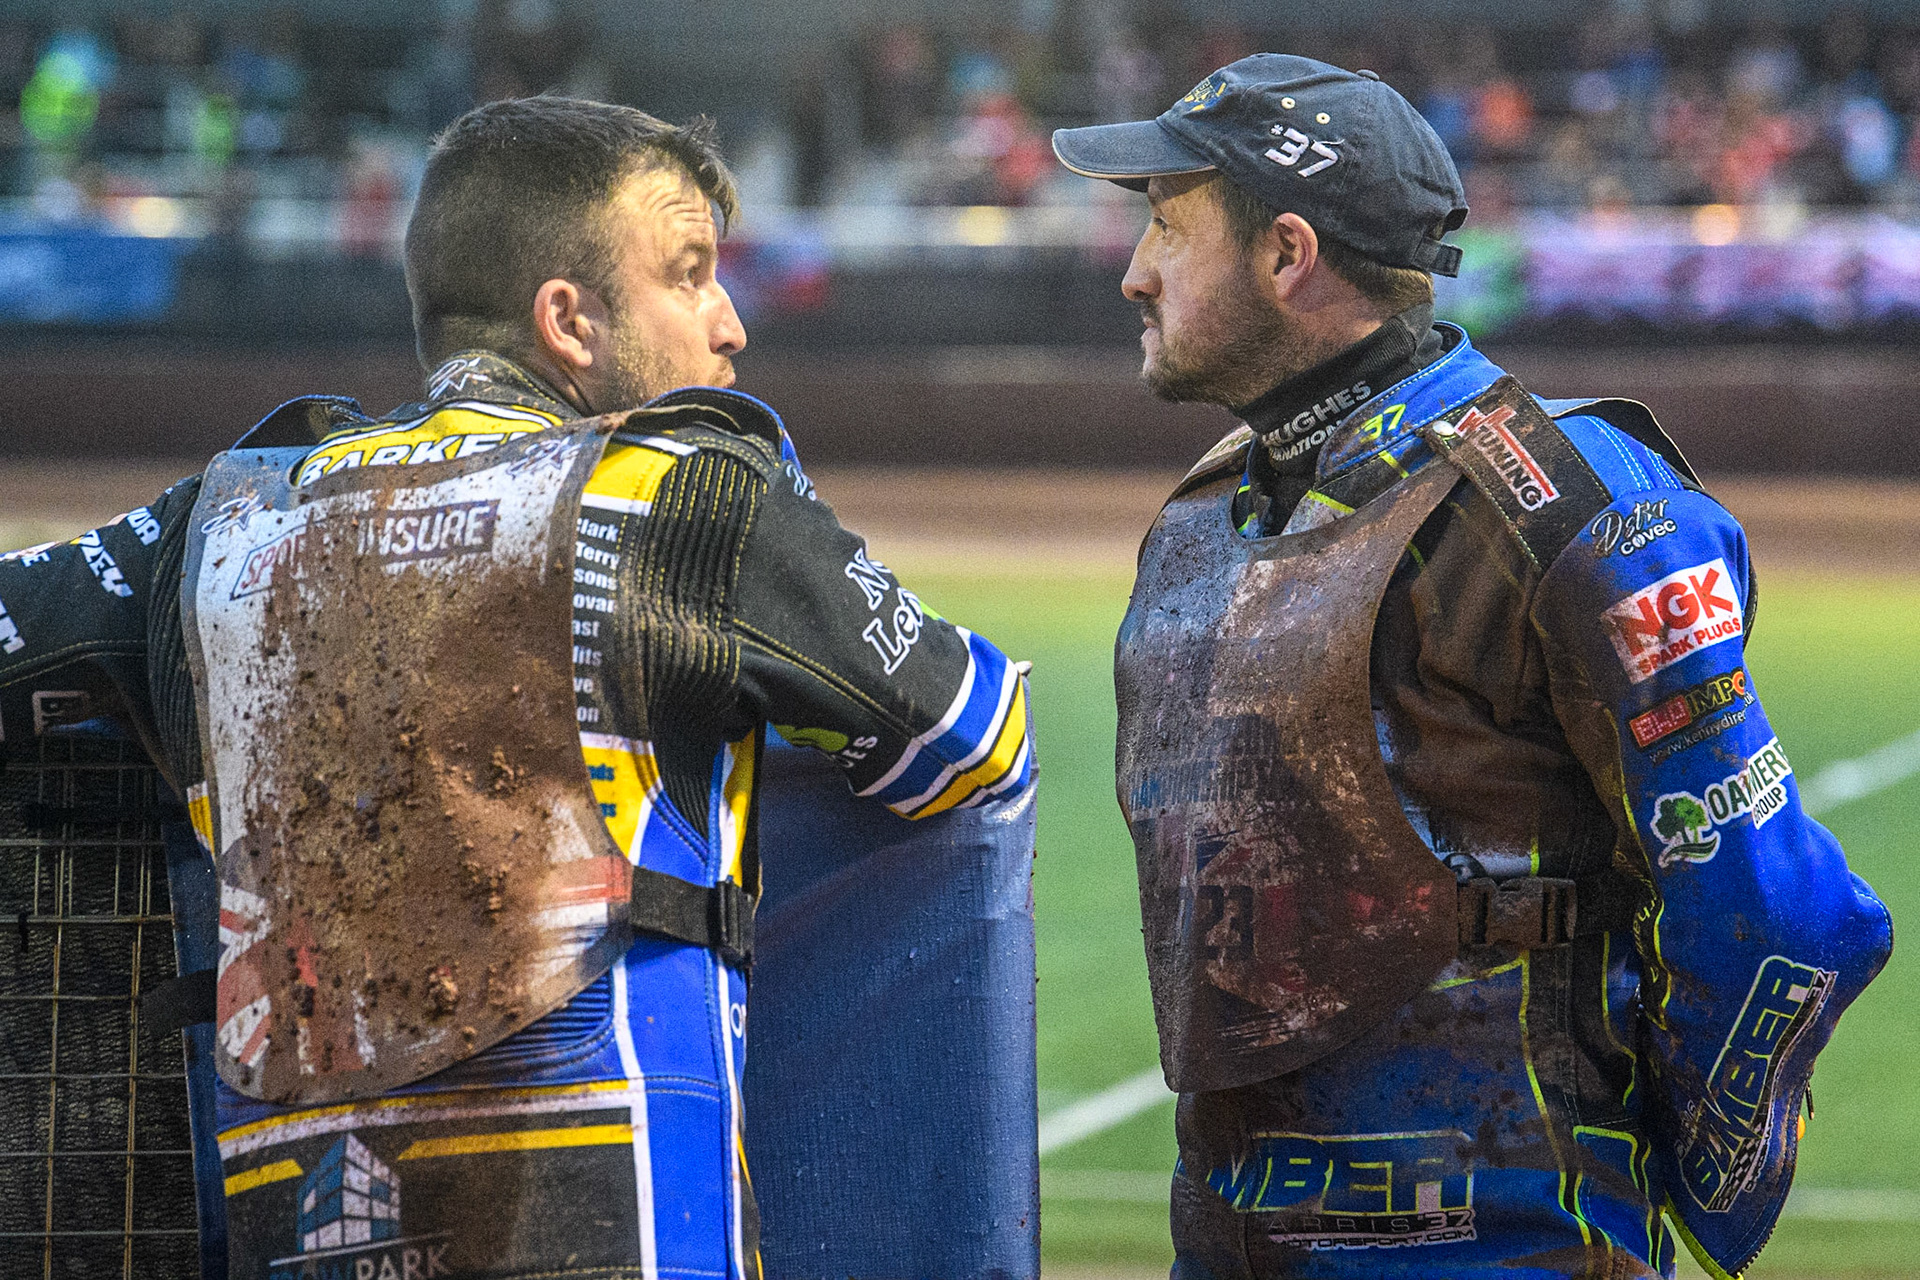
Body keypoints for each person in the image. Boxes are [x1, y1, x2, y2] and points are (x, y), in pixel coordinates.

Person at [0, 97, 1031, 1280]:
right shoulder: (687, 494)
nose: (730, 324)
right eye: (690, 275)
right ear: (570, 321)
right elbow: (974, 728)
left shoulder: (220, 518)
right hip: (625, 1212)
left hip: (304, 1210)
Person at [1053, 55, 1890, 1280]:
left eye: (1167, 224)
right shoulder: (1202, 513)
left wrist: (1687, 1187)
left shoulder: (1581, 511)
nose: (1134, 269)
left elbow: (1784, 917)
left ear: (1287, 254)